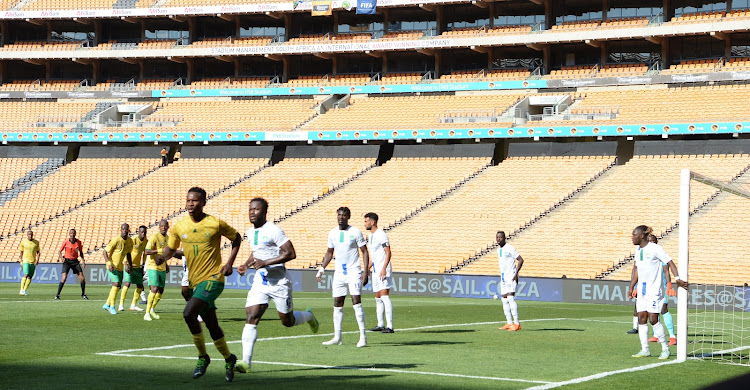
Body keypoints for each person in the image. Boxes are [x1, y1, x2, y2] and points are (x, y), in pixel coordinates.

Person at [159, 187, 241, 382]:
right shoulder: (179, 226)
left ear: (204, 202)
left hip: (214, 279)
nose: (190, 203)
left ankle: (203, 357)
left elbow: (236, 238)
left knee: (188, 313)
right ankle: (230, 359)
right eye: (188, 200)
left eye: (194, 201)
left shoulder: (215, 223)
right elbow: (171, 248)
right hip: (196, 283)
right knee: (212, 326)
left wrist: (229, 263)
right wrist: (163, 257)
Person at [235, 198, 319, 373]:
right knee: (252, 316)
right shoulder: (250, 232)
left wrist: (267, 262)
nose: (252, 212)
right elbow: (256, 252)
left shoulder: (274, 230)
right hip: (261, 281)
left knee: (287, 322)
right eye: (250, 209)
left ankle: (309, 316)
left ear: (264, 212)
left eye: (256, 209)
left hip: (280, 283)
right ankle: (246, 362)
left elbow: (291, 253)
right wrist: (247, 264)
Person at [628, 225, 688, 359]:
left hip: (654, 289)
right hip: (642, 290)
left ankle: (665, 349)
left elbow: (670, 263)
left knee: (653, 318)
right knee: (641, 318)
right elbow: (637, 270)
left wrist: (676, 279)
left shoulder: (655, 249)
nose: (632, 237)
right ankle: (645, 349)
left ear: (642, 236)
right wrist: (631, 287)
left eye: (634, 235)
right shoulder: (638, 251)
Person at [316, 207, 370, 347]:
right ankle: (337, 337)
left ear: (348, 217)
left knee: (356, 302)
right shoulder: (332, 233)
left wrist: (365, 271)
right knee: (337, 304)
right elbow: (329, 252)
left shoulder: (355, 232)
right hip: (339, 273)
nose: (341, 217)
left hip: (353, 271)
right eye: (339, 215)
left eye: (344, 215)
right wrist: (322, 268)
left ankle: (363, 337)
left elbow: (364, 252)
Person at [626, 234, 678, 346]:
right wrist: (636, 287)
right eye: (650, 241)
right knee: (645, 315)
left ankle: (672, 336)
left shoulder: (657, 253)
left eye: (653, 241)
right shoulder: (641, 251)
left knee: (662, 310)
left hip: (660, 288)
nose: (651, 242)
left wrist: (669, 286)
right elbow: (640, 271)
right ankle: (654, 338)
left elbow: (666, 271)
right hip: (645, 289)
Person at [364, 212, 394, 333]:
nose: (365, 223)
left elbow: (388, 252)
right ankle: (380, 323)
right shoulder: (371, 236)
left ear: (373, 222)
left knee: (384, 296)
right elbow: (373, 257)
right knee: (377, 298)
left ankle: (390, 326)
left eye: (366, 221)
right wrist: (366, 269)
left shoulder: (381, 235)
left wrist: (383, 268)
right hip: (375, 271)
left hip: (383, 270)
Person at [144, 220, 175, 321]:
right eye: (161, 226)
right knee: (154, 288)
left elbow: (168, 253)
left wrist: (166, 263)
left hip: (162, 266)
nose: (163, 227)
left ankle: (152, 309)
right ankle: (147, 313)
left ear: (168, 227)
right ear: (159, 227)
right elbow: (146, 251)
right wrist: (158, 251)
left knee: (161, 289)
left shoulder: (168, 238)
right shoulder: (154, 237)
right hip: (152, 265)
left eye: (165, 226)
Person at [494, 231, 524, 331]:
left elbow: (520, 260)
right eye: (497, 237)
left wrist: (516, 273)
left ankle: (517, 323)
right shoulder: (499, 250)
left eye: (500, 237)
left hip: (511, 276)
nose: (498, 239)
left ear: (504, 238)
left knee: (511, 298)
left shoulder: (510, 248)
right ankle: (509, 322)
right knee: (504, 299)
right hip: (503, 277)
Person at [102, 224, 134, 315]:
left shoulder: (130, 241)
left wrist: (130, 266)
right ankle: (112, 307)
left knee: (118, 286)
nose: (124, 230)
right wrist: (109, 263)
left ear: (128, 231)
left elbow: (128, 254)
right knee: (116, 284)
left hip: (120, 267)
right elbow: (104, 252)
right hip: (112, 266)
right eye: (123, 229)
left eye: (126, 229)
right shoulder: (116, 240)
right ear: (120, 230)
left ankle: (107, 304)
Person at [120, 225, 148, 312]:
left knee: (140, 285)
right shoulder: (133, 240)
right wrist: (126, 263)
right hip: (129, 265)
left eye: (145, 232)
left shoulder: (146, 241)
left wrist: (143, 265)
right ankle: (121, 305)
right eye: (142, 232)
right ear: (139, 232)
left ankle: (133, 305)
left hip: (138, 267)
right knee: (127, 284)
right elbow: (126, 252)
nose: (143, 234)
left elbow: (145, 254)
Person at [56, 229, 88, 300]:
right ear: (69, 234)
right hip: (67, 261)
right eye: (71, 233)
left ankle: (83, 294)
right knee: (64, 278)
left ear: (75, 234)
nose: (72, 234)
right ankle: (57, 295)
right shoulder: (66, 241)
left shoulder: (78, 242)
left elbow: (81, 252)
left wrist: (83, 260)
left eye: (73, 233)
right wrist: (62, 258)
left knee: (82, 278)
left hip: (75, 262)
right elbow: (59, 251)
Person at [19, 230, 40, 296]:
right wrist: (21, 261)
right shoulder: (23, 242)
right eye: (29, 235)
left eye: (31, 235)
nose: (30, 236)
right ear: (27, 235)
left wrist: (37, 260)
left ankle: (24, 290)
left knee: (30, 277)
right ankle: (21, 290)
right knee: (26, 274)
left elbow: (38, 252)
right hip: (25, 260)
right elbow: (21, 252)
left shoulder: (36, 242)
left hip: (32, 261)